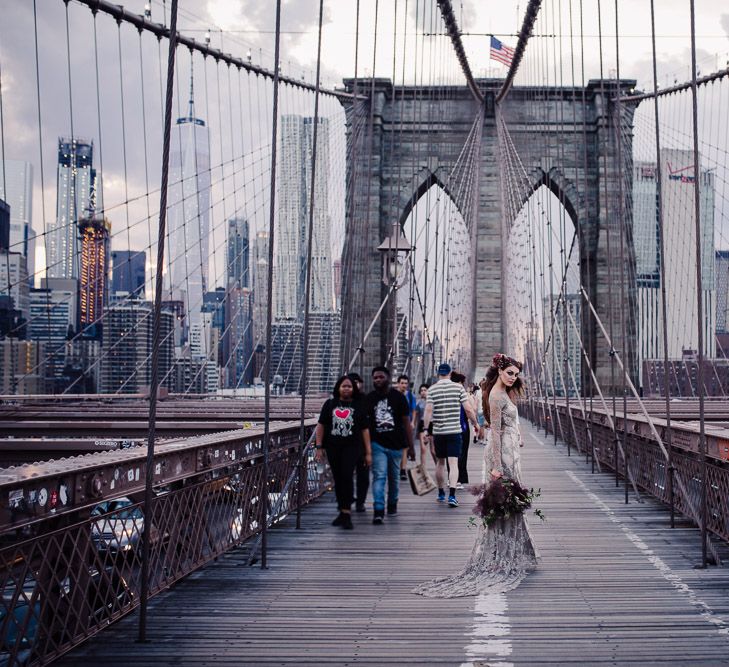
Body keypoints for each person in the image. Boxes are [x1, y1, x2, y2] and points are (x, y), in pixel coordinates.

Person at [413, 353, 538, 597]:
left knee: (511, 502)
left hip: (512, 452)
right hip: (503, 456)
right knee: (506, 502)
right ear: (499, 371)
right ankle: (502, 552)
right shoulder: (495, 396)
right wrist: (496, 465)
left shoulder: (503, 394)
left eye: (516, 374)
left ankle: (514, 550)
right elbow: (497, 433)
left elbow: (508, 426)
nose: (513, 377)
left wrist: (519, 436)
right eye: (509, 372)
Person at [315, 376, 372, 530]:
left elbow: (365, 430)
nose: (346, 389)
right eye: (343, 386)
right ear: (338, 388)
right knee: (338, 479)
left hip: (352, 447)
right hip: (333, 447)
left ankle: (346, 513)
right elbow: (321, 425)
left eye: (349, 386)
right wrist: (319, 446)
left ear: (353, 389)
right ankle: (342, 511)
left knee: (347, 476)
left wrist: (368, 453)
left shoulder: (358, 405)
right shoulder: (330, 404)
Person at [422, 363, 480, 508]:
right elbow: (468, 409)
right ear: (449, 374)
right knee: (453, 463)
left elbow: (428, 410)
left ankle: (441, 492)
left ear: (438, 374)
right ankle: (452, 496)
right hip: (454, 431)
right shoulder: (458, 388)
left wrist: (425, 430)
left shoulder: (432, 389)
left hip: (439, 432)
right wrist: (475, 424)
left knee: (440, 463)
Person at [366, 366, 415, 524]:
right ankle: (378, 510)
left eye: (380, 377)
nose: (378, 380)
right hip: (377, 444)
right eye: (375, 378)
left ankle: (392, 504)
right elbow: (364, 425)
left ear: (388, 378)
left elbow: (406, 423)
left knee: (394, 478)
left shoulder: (399, 398)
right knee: (379, 476)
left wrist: (411, 447)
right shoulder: (370, 398)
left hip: (396, 445)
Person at [347, 372, 370, 512]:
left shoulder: (366, 400)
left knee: (364, 477)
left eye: (357, 382)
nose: (355, 385)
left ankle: (360, 502)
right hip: (345, 447)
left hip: (362, 446)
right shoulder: (339, 401)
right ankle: (349, 499)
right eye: (352, 382)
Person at [450, 371, 476, 488]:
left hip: (448, 427)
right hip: (462, 428)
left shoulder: (447, 394)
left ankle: (452, 478)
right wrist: (475, 423)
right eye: (462, 383)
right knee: (462, 452)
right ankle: (459, 479)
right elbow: (470, 410)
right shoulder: (463, 394)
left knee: (450, 454)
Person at [396, 374, 417, 480]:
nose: (404, 385)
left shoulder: (410, 396)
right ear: (398, 384)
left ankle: (403, 470)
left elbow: (413, 410)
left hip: (406, 424)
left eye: (405, 383)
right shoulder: (393, 395)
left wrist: (412, 422)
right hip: (395, 425)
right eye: (402, 383)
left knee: (405, 448)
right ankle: (396, 467)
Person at [414, 383, 430, 469]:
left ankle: (438, 466)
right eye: (421, 391)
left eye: (425, 390)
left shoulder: (432, 402)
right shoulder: (418, 403)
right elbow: (415, 416)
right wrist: (413, 425)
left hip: (432, 425)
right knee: (423, 449)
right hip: (422, 425)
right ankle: (423, 468)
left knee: (434, 451)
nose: (423, 392)